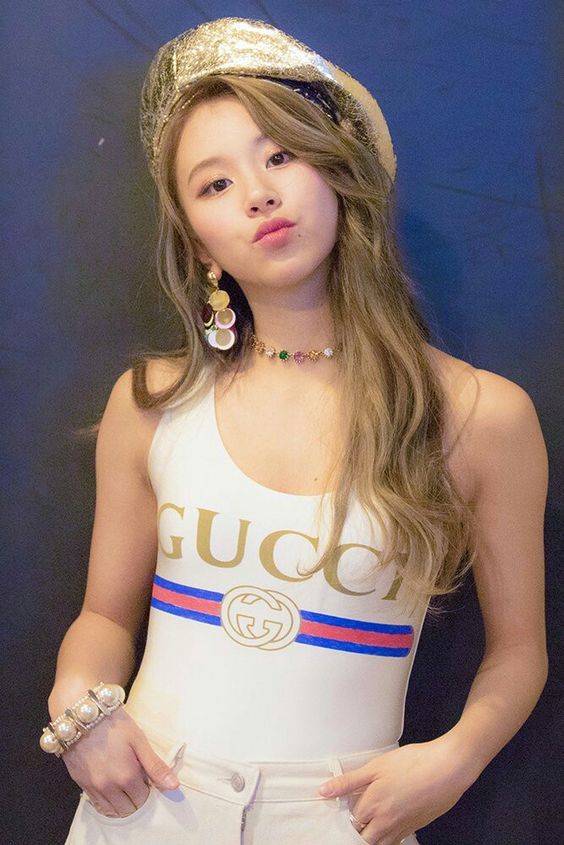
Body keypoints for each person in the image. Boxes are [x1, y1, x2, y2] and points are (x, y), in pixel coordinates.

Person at [42, 17, 549, 845]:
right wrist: (78, 707)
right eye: (215, 183)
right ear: (198, 242)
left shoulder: (480, 416)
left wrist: (455, 759)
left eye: (280, 155)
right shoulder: (152, 404)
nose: (257, 194)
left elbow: (519, 650)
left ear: (337, 166)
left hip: (347, 818)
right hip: (145, 810)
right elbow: (103, 617)